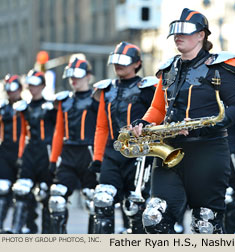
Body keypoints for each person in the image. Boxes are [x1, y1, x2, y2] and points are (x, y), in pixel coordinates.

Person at [129, 8, 235, 234]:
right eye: (175, 32)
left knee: (205, 225)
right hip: (169, 150)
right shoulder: (168, 68)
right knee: (154, 218)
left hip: (208, 151)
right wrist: (144, 122)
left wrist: (208, 126)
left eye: (185, 32)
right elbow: (157, 107)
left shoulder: (220, 67)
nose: (178, 36)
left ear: (201, 35)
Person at [90, 41, 156, 234]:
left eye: (124, 61)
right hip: (113, 153)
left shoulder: (147, 87)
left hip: (140, 154)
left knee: (136, 206)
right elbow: (101, 127)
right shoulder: (106, 89)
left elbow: (158, 116)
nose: (119, 65)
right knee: (103, 198)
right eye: (116, 61)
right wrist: (97, 157)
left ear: (137, 64)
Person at [48, 57, 98, 234]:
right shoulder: (64, 101)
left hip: (89, 154)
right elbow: (58, 133)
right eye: (70, 76)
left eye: (78, 75)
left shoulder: (97, 99)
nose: (73, 80)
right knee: (57, 197)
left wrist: (100, 157)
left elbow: (102, 129)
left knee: (94, 200)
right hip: (68, 155)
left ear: (88, 76)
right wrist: (53, 160)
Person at [11, 70, 56, 233]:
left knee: (45, 192)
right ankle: (23, 227)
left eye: (36, 85)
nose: (33, 88)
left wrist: (56, 157)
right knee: (22, 190)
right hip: (30, 151)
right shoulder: (24, 108)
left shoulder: (51, 107)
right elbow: (23, 133)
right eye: (30, 85)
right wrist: (21, 155)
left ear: (43, 86)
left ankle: (47, 232)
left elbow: (58, 131)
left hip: (46, 152)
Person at [0, 75, 23, 232]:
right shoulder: (2, 109)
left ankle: (19, 226)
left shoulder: (27, 108)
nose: (10, 93)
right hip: (4, 152)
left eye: (13, 89)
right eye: (7, 89)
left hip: (23, 153)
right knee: (3, 188)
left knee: (22, 190)